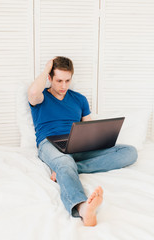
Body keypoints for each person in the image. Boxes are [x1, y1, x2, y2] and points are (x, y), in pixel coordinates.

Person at [28, 56, 138, 226]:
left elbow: (88, 127)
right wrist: (47, 67)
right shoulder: (41, 98)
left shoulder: (79, 99)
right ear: (49, 78)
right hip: (49, 144)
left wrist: (97, 140)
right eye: (58, 80)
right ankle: (82, 207)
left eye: (67, 80)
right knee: (64, 161)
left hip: (78, 144)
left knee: (130, 152)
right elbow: (33, 92)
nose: (63, 86)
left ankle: (71, 169)